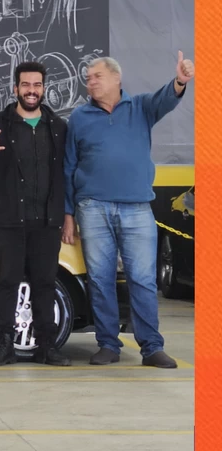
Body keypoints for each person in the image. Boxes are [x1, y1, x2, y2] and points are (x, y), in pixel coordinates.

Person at [62, 53, 195, 368]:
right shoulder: (79, 117)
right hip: (92, 208)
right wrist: (68, 214)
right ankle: (108, 345)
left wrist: (180, 81)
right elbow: (68, 167)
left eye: (97, 76)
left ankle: (151, 348)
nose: (90, 82)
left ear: (116, 78)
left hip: (136, 208)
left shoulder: (141, 107)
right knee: (100, 280)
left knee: (143, 279)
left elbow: (166, 99)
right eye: (88, 78)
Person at [0, 61, 71, 367]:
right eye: (25, 85)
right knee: (7, 282)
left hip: (47, 221)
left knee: (45, 283)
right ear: (15, 89)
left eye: (37, 85)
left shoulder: (58, 127)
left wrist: (67, 215)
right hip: (8, 220)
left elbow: (67, 173)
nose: (31, 91)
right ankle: (4, 346)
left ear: (44, 89)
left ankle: (47, 347)